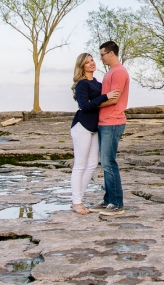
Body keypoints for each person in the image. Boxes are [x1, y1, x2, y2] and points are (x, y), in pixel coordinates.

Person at [69, 52, 120, 215]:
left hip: (94, 127)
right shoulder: (82, 84)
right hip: (82, 126)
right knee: (80, 165)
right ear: (82, 66)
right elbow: (84, 105)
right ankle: (77, 202)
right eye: (87, 62)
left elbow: (100, 103)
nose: (92, 63)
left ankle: (78, 198)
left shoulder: (98, 83)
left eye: (92, 60)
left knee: (92, 165)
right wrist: (105, 96)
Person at [95, 40, 130, 216]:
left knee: (109, 163)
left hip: (113, 122)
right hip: (104, 122)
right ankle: (109, 199)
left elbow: (114, 99)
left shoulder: (119, 72)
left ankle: (117, 203)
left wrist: (92, 105)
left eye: (102, 54)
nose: (100, 58)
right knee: (105, 162)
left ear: (111, 53)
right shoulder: (110, 73)